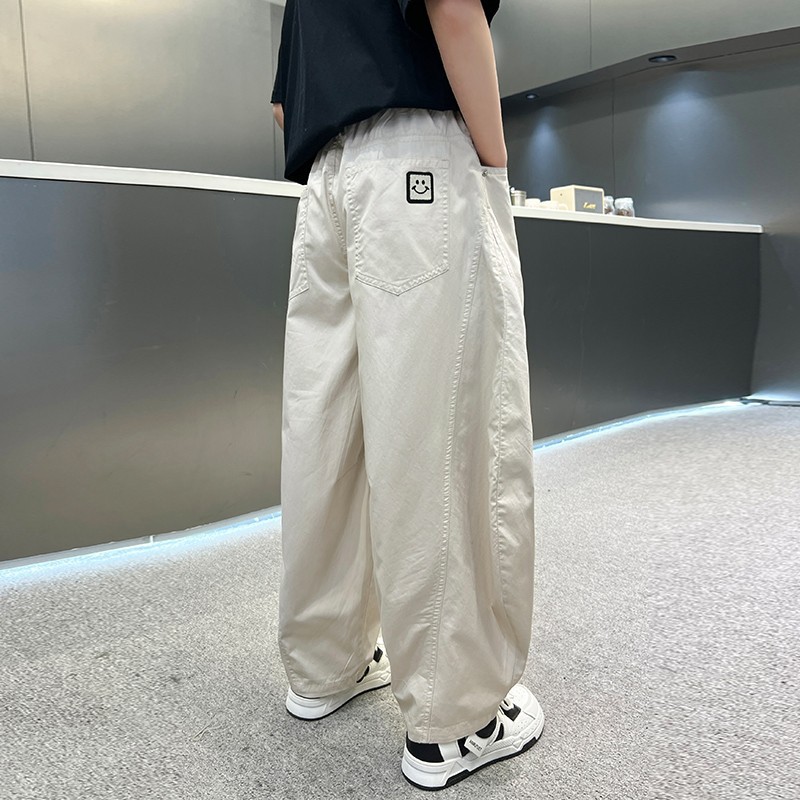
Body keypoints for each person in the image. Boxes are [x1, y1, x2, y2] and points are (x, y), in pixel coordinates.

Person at [270, 0, 543, 790]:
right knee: (438, 433)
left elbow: (283, 105)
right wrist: (492, 168)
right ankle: (458, 720)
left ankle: (325, 664)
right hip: (417, 155)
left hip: (325, 180)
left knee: (327, 432)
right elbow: (451, 6)